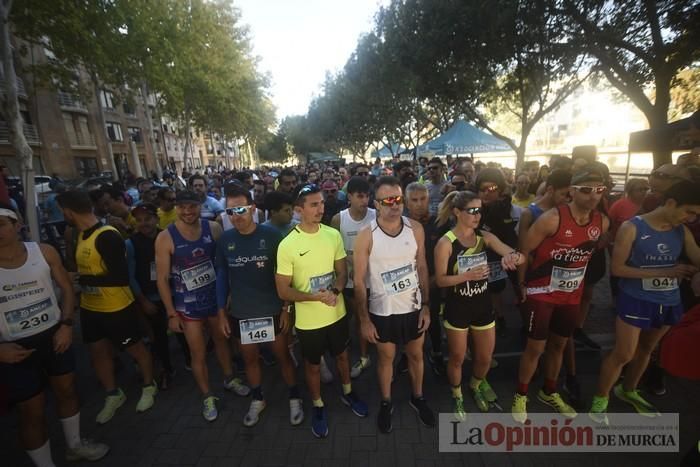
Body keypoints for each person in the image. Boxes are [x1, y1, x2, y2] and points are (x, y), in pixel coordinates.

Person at [0, 204, 109, 466]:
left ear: (17, 226)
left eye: (1, 224)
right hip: (12, 347)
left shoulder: (44, 252)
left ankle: (74, 445)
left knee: (67, 391)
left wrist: (67, 324)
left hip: (54, 335)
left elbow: (67, 290)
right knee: (31, 411)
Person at [589, 181, 700, 424]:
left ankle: (628, 390)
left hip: (669, 300)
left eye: (696, 215)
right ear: (671, 203)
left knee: (648, 350)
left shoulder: (682, 231)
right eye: (689, 211)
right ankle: (600, 399)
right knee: (624, 353)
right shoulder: (632, 227)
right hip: (636, 299)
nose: (691, 218)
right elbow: (617, 269)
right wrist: (667, 272)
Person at [511, 167, 609, 423]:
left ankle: (549, 390)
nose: (593, 196)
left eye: (599, 190)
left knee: (560, 345)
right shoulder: (551, 219)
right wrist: (522, 283)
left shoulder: (602, 222)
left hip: (570, 297)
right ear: (572, 192)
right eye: (586, 190)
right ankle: (521, 394)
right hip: (541, 294)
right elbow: (524, 251)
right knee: (535, 347)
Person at [275, 184, 368, 439]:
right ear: (299, 209)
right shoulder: (287, 244)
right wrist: (312, 297)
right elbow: (283, 290)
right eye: (313, 205)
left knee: (342, 357)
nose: (320, 209)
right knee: (313, 366)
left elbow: (342, 273)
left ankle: (348, 392)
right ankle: (317, 405)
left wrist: (336, 292)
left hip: (336, 312)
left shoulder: (332, 235)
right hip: (308, 321)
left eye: (322, 203)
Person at [56, 190, 157, 424]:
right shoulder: (81, 235)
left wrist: (81, 280)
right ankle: (113, 393)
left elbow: (120, 277)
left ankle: (148, 385)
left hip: (117, 307)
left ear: (69, 211)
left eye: (63, 211)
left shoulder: (108, 235)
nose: (63, 215)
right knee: (98, 352)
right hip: (92, 308)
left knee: (135, 349)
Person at [155, 190, 248, 422]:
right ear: (176, 208)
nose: (187, 212)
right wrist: (170, 313)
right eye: (182, 207)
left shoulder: (213, 229)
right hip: (187, 307)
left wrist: (226, 295)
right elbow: (162, 279)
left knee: (221, 341)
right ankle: (207, 395)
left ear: (200, 206)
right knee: (197, 353)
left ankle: (229, 378)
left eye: (192, 206)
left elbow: (223, 266)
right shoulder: (166, 237)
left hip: (214, 301)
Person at [216, 186, 304, 427]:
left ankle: (294, 396)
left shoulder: (273, 236)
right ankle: (258, 398)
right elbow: (222, 277)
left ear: (253, 209)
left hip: (272, 309)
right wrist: (221, 313)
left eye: (241, 209)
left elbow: (288, 275)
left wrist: (286, 308)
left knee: (283, 356)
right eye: (231, 211)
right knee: (250, 360)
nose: (237, 215)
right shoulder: (225, 240)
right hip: (242, 313)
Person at [353, 176, 435, 434]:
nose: (394, 205)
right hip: (383, 311)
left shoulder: (415, 229)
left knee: (415, 355)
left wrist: (426, 305)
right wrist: (364, 320)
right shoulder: (367, 236)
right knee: (386, 359)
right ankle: (386, 402)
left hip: (412, 308)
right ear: (376, 204)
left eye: (398, 199)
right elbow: (357, 282)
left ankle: (417, 397)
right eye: (388, 200)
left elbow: (422, 265)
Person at [434, 191, 524, 419]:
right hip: (457, 308)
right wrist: (468, 276)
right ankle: (457, 395)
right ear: (456, 212)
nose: (477, 215)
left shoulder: (485, 238)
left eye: (479, 210)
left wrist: (510, 258)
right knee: (457, 357)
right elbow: (440, 280)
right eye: (471, 211)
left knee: (484, 358)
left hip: (483, 306)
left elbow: (521, 257)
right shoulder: (446, 243)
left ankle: (475, 385)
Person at [126, 203, 186, 390]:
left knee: (182, 331)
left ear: (156, 219)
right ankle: (167, 369)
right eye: (139, 220)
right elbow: (130, 275)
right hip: (151, 298)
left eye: (148, 219)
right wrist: (142, 300)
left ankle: (190, 360)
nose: (144, 223)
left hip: (175, 293)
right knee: (158, 337)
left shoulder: (169, 236)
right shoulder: (131, 244)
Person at [331, 176, 376, 379]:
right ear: (349, 196)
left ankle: (370, 353)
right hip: (349, 281)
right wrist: (348, 264)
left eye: (367, 196)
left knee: (369, 316)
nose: (364, 201)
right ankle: (362, 354)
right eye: (359, 196)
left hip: (373, 280)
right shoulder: (339, 219)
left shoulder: (376, 216)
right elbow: (333, 250)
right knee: (357, 316)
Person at [476, 168, 521, 337]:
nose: (487, 193)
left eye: (492, 189)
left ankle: (502, 317)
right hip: (479, 257)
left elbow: (514, 239)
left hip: (503, 255)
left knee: (503, 288)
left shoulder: (512, 210)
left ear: (500, 190)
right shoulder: (471, 207)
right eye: (482, 189)